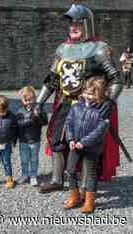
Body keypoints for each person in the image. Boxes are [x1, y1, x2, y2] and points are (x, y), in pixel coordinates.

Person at [35, 4, 123, 194]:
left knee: (85, 144)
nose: (73, 27)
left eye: (78, 24)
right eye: (71, 24)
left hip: (88, 104)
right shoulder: (62, 49)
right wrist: (39, 102)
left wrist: (108, 102)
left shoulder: (99, 49)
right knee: (56, 139)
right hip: (65, 103)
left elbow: (116, 79)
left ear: (87, 25)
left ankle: (84, 187)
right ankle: (57, 179)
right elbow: (53, 80)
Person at [63, 78, 109, 213]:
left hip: (91, 148)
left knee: (90, 174)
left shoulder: (103, 110)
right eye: (86, 93)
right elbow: (69, 123)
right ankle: (75, 197)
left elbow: (99, 131)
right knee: (70, 170)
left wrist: (84, 142)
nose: (88, 96)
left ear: (99, 94)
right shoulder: (76, 106)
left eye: (92, 94)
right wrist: (70, 138)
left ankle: (89, 202)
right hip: (75, 145)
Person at [15, 86, 48, 186]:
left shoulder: (39, 109)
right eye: (26, 100)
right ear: (22, 100)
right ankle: (25, 174)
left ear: (34, 98)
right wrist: (31, 119)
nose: (29, 102)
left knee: (34, 159)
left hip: (35, 139)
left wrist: (39, 116)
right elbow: (19, 124)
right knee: (24, 159)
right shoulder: (20, 112)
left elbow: (45, 122)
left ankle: (33, 175)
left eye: (30, 99)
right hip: (23, 140)